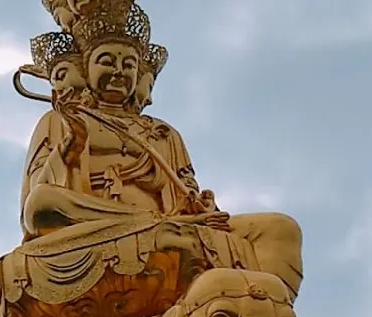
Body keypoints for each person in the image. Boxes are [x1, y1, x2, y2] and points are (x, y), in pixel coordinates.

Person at [19, 0, 304, 301]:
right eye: (107, 61)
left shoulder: (162, 133)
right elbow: (38, 195)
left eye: (128, 65)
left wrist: (200, 204)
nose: (118, 72)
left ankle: (270, 308)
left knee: (280, 229)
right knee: (42, 203)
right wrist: (70, 146)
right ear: (84, 71)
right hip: (99, 221)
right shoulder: (59, 121)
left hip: (176, 220)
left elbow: (185, 189)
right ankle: (152, 224)